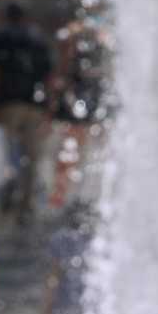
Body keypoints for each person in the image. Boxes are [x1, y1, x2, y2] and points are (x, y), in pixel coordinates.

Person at [0, 0, 55, 227]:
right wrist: (49, 106)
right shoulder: (37, 38)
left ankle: (10, 183)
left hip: (7, 104)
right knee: (31, 157)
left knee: (4, 153)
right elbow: (49, 75)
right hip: (34, 105)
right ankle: (26, 204)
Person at [50, 13, 109, 205]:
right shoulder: (99, 44)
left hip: (79, 103)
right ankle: (76, 195)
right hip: (89, 103)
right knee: (84, 149)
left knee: (72, 147)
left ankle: (64, 195)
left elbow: (63, 73)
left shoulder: (75, 45)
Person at [43, 194, 92, 314]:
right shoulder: (91, 239)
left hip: (65, 295)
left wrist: (48, 303)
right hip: (86, 295)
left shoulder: (59, 239)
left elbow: (54, 274)